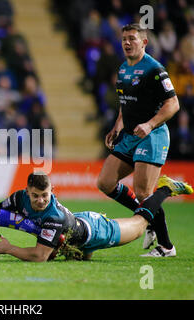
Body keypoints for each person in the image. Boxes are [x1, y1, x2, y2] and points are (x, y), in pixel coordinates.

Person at [96, 23, 181, 257]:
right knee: (105, 182)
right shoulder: (123, 69)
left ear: (144, 42)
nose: (127, 42)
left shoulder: (155, 69)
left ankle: (166, 246)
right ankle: (148, 217)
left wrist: (150, 124)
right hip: (130, 135)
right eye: (124, 38)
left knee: (143, 192)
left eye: (132, 38)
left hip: (152, 135)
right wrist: (117, 126)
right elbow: (127, 103)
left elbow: (173, 103)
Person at [0, 172, 192, 262]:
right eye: (36, 196)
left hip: (95, 231)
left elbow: (39, 256)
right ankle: (80, 250)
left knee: (139, 222)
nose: (41, 200)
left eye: (45, 195)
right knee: (79, 258)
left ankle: (165, 189)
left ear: (52, 191)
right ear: (27, 191)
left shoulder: (53, 216)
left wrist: (9, 249)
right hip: (75, 228)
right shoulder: (19, 197)